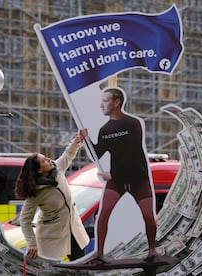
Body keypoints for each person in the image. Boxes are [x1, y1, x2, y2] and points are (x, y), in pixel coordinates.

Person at [88, 86, 160, 263]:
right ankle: (99, 254)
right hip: (117, 181)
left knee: (148, 216)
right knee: (103, 214)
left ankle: (152, 251)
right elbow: (97, 154)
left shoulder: (132, 124)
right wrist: (86, 139)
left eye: (105, 101)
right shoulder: (105, 129)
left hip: (138, 178)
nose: (101, 105)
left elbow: (132, 152)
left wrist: (112, 174)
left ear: (117, 102)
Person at [14, 129, 90, 261]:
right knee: (50, 270)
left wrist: (78, 139)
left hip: (72, 228)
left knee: (80, 266)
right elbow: (24, 220)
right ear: (39, 170)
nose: (49, 160)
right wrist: (32, 243)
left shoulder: (57, 168)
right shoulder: (36, 191)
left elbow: (68, 155)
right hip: (51, 235)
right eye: (44, 161)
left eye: (46, 158)